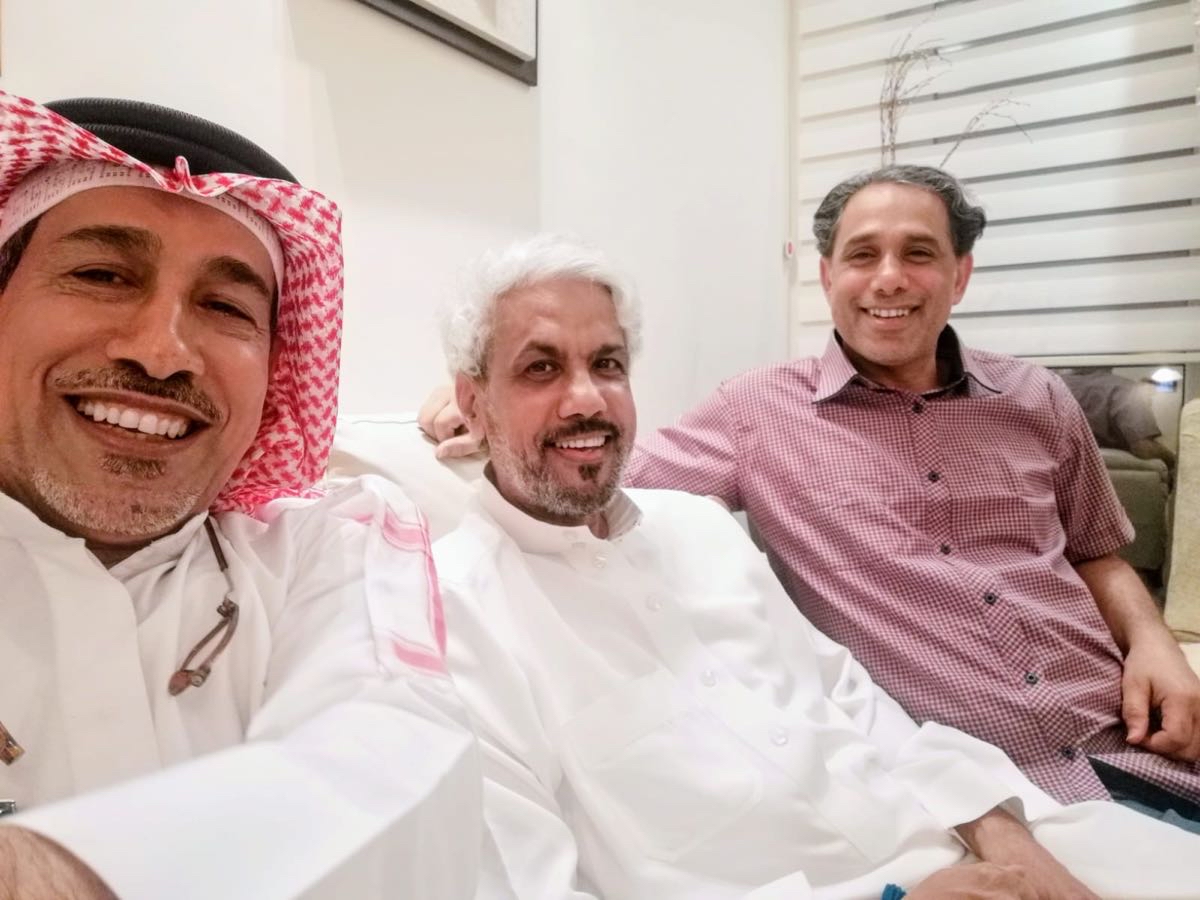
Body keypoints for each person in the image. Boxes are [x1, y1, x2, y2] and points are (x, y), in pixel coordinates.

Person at [419, 166, 1200, 825]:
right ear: (828, 276)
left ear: (960, 273)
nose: (888, 278)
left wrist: (1156, 644)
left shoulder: (1038, 398)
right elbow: (590, 465)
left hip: (1141, 736)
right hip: (989, 790)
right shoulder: (754, 415)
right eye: (862, 255)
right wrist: (488, 402)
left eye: (918, 253)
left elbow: (1097, 552)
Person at [0, 91, 480, 899]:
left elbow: (400, 766)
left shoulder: (326, 547)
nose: (161, 353)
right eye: (101, 274)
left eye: (225, 307)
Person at [1058, 368, 1177, 471]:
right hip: (1113, 481)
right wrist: (1174, 461)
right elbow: (1143, 448)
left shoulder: (1053, 386)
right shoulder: (1124, 388)